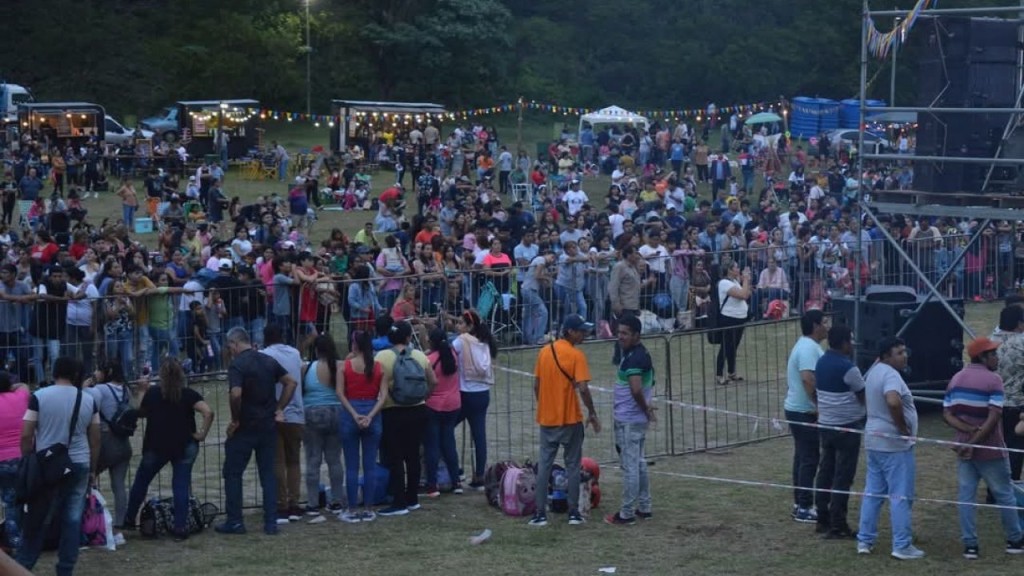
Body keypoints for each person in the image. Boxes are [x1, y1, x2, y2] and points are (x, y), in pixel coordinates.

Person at [16, 357, 100, 576]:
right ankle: (65, 569)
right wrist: (93, 468)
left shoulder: (39, 397)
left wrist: (28, 458)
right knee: (72, 519)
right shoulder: (88, 400)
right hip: (79, 462)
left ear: (54, 373)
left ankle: (24, 564)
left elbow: (26, 434)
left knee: (40, 518)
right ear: (74, 374)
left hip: (48, 464)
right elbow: (95, 438)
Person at [943, 337, 1024, 559]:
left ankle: (970, 545)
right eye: (993, 354)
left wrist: (967, 434)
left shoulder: (957, 378)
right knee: (1005, 495)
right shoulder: (994, 380)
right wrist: (975, 439)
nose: (997, 357)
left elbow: (948, 414)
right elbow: (994, 416)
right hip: (991, 450)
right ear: (983, 357)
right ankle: (1015, 540)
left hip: (963, 450)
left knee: (965, 497)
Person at [216, 327, 298, 536]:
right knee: (267, 474)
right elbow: (291, 382)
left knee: (233, 473)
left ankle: (235, 521)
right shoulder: (267, 360)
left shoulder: (237, 365)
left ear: (234, 344)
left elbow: (236, 394)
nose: (230, 351)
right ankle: (271, 522)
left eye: (229, 347)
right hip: (267, 425)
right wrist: (279, 407)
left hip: (245, 426)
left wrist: (235, 419)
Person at [123, 358, 214, 540]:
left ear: (161, 376)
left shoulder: (153, 394)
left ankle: (130, 519)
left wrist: (141, 391)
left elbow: (140, 411)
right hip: (185, 444)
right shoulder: (189, 394)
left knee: (141, 481)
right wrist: (202, 434)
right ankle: (180, 528)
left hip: (156, 445)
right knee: (180, 485)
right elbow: (208, 412)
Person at [529, 314, 601, 527]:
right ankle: (573, 512)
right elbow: (584, 388)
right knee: (572, 466)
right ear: (570, 331)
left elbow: (536, 385)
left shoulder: (544, 352)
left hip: (548, 419)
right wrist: (592, 412)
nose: (584, 334)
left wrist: (545, 405)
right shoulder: (576, 356)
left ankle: (540, 513)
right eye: (581, 331)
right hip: (570, 419)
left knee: (544, 466)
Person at [856, 337, 923, 560]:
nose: (904, 356)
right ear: (886, 356)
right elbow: (893, 401)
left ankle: (864, 540)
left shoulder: (874, 370)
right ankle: (902, 545)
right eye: (899, 352)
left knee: (873, 493)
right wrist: (902, 428)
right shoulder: (891, 375)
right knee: (900, 495)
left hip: (874, 440)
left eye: (905, 351)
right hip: (893, 444)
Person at [375, 321, 437, 516]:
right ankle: (412, 498)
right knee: (413, 456)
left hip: (392, 410)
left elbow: (376, 382)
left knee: (394, 456)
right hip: (417, 410)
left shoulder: (382, 356)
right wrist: (424, 397)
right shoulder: (419, 355)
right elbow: (433, 381)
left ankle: (398, 500)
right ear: (409, 337)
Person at [813, 325, 865, 539]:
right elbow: (863, 395)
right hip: (847, 427)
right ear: (844, 343)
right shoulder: (848, 368)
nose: (852, 345)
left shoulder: (821, 362)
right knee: (843, 476)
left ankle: (822, 517)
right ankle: (838, 523)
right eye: (850, 341)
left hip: (826, 424)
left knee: (825, 472)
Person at [605, 314, 655, 526]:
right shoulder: (635, 353)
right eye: (619, 332)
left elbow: (635, 389)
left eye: (625, 333)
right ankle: (644, 506)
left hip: (629, 420)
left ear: (637, 335)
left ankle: (626, 513)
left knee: (630, 466)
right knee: (640, 463)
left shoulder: (635, 357)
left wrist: (646, 410)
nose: (620, 336)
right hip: (633, 419)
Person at [338, 330, 387, 523]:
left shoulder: (345, 366)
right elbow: (383, 396)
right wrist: (370, 415)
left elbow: (340, 393)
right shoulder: (379, 367)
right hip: (372, 413)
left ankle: (351, 508)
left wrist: (354, 414)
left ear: (355, 345)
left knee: (351, 465)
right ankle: (368, 508)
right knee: (369, 465)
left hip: (351, 413)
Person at [784, 310, 826, 524]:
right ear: (816, 325)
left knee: (802, 457)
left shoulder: (805, 345)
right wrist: (819, 405)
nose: (827, 326)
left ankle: (800, 502)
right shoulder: (809, 348)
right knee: (809, 458)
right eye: (824, 322)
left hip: (796, 409)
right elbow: (808, 379)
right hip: (804, 411)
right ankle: (804, 506)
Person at [259, 324, 305, 524]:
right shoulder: (295, 353)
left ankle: (281, 504)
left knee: (277, 461)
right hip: (296, 412)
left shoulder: (263, 354)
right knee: (293, 460)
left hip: (273, 412)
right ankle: (295, 503)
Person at [300, 335, 346, 520]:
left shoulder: (307, 368)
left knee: (313, 459)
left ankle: (312, 503)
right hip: (336, 412)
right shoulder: (341, 366)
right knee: (334, 459)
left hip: (312, 414)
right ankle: (336, 500)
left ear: (316, 350)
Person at [85, 360, 134, 532]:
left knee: (88, 478)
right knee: (118, 484)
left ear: (108, 371)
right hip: (123, 443)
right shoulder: (126, 389)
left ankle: (90, 518)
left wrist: (90, 381)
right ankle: (120, 521)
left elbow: (83, 399)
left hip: (105, 441)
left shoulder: (100, 390)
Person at [453, 310, 497, 490]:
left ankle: (455, 469)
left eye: (461, 323)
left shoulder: (461, 341)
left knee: (445, 429)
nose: (458, 326)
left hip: (466, 393)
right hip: (482, 393)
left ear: (469, 327)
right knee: (479, 435)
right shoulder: (484, 342)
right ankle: (479, 474)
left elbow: (447, 353)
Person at [423, 328, 463, 497]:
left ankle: (432, 485)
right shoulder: (452, 356)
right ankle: (456, 482)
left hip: (433, 405)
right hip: (453, 404)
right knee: (449, 444)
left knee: (432, 446)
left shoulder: (429, 360)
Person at [994, 304, 1024, 481]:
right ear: (1019, 323)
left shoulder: (991, 341)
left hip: (995, 403)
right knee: (1015, 448)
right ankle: (1010, 487)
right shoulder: (1021, 343)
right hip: (1018, 403)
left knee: (996, 448)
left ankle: (994, 488)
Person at [0, 371, 29, 551]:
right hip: (20, 457)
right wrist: (12, 386)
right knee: (15, 501)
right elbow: (25, 385)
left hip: (1, 457)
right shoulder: (20, 397)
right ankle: (16, 538)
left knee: (6, 501)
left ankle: (10, 540)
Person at [715, 257, 752, 386]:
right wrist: (746, 279)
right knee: (726, 346)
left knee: (734, 347)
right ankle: (719, 374)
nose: (738, 269)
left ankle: (731, 372)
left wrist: (746, 281)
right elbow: (743, 295)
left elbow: (747, 292)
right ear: (729, 270)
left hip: (739, 318)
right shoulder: (724, 283)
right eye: (736, 267)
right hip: (729, 318)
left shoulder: (735, 281)